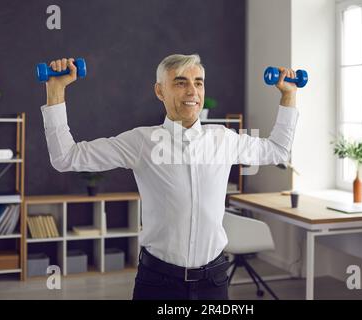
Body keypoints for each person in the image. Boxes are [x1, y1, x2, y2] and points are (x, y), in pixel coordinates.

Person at [41, 54, 299, 300]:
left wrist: (289, 95)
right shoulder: (140, 142)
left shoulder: (224, 139)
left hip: (215, 281)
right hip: (158, 282)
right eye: (180, 82)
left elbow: (277, 150)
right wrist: (55, 90)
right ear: (160, 91)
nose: (192, 91)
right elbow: (66, 157)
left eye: (198, 83)